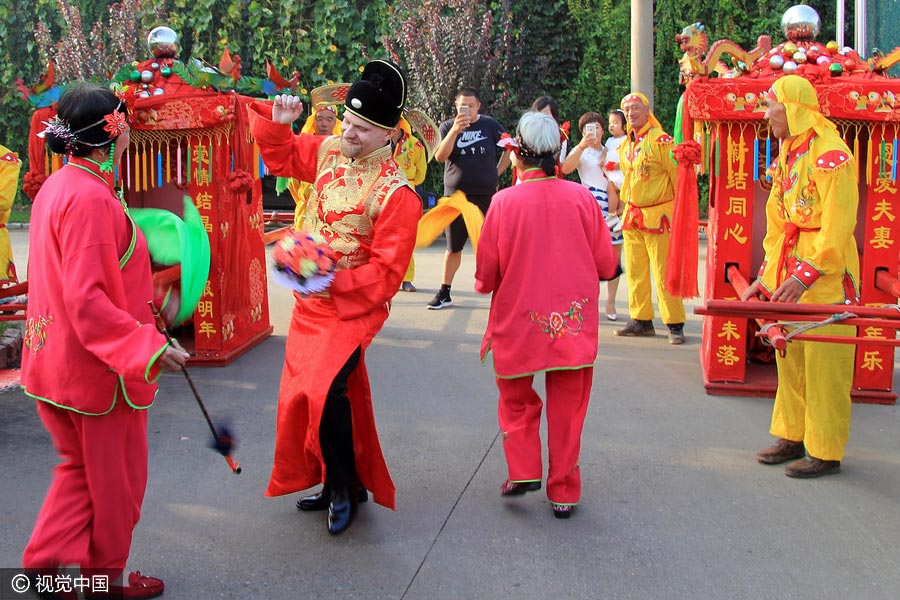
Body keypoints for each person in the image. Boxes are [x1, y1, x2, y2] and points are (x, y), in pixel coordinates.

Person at [21, 84, 189, 599]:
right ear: (113, 134)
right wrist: (150, 347)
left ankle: (52, 576)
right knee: (116, 490)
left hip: (57, 362)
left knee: (82, 477)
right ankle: (84, 580)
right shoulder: (92, 198)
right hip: (96, 372)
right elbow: (88, 300)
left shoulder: (61, 185)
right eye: (127, 120)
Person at [248, 59, 421, 534]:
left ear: (388, 135)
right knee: (311, 397)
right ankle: (336, 481)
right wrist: (280, 126)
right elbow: (284, 158)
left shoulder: (396, 193)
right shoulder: (328, 151)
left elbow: (386, 274)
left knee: (323, 392)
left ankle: (345, 488)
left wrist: (328, 280)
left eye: (364, 129)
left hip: (352, 306)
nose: (350, 134)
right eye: (348, 122)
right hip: (310, 302)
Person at [475, 111, 618, 519]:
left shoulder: (503, 203)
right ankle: (563, 491)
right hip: (573, 323)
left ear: (517, 154)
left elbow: (486, 275)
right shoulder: (582, 199)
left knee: (516, 397)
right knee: (568, 407)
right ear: (558, 152)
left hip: (519, 321)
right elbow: (606, 264)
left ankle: (523, 470)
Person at [741, 75, 859, 478]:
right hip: (791, 266)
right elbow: (778, 222)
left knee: (825, 364)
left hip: (827, 274)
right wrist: (767, 274)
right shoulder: (789, 152)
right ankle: (792, 434)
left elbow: (839, 225)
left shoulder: (831, 154)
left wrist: (808, 274)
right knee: (789, 355)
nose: (765, 113)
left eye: (769, 105)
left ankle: (825, 450)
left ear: (792, 108)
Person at [427, 87, 510, 309]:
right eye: (463, 106)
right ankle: (444, 292)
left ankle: (502, 292)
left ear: (478, 106)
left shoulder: (490, 125)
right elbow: (439, 157)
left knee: (492, 245)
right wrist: (455, 130)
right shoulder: (447, 126)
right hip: (456, 197)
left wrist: (497, 172)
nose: (468, 110)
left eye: (471, 106)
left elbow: (510, 147)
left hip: (485, 195)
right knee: (453, 247)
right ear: (456, 105)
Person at [615, 92, 686, 344]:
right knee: (635, 270)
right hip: (633, 216)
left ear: (647, 110)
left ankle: (674, 323)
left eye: (635, 108)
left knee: (663, 270)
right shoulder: (626, 144)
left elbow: (678, 178)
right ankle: (641, 319)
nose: (630, 113)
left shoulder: (661, 140)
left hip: (659, 216)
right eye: (626, 110)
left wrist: (681, 214)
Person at [561, 112, 623, 321]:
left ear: (603, 130)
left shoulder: (613, 148)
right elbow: (566, 168)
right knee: (586, 256)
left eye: (597, 127)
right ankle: (587, 301)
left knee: (615, 254)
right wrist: (581, 146)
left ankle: (611, 301)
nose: (593, 132)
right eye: (589, 128)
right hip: (590, 204)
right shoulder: (582, 152)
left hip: (614, 204)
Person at [391, 117, 428, 292]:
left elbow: (421, 174)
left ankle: (406, 279)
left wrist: (407, 181)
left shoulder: (415, 145)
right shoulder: (376, 140)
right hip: (380, 194)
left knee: (406, 238)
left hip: (406, 193)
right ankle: (384, 277)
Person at [603, 109, 627, 192]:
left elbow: (628, 157)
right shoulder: (609, 140)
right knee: (610, 189)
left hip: (622, 173)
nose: (611, 125)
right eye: (610, 123)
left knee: (623, 195)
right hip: (612, 174)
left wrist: (618, 165)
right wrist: (602, 159)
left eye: (615, 123)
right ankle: (612, 206)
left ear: (625, 126)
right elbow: (605, 152)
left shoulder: (626, 140)